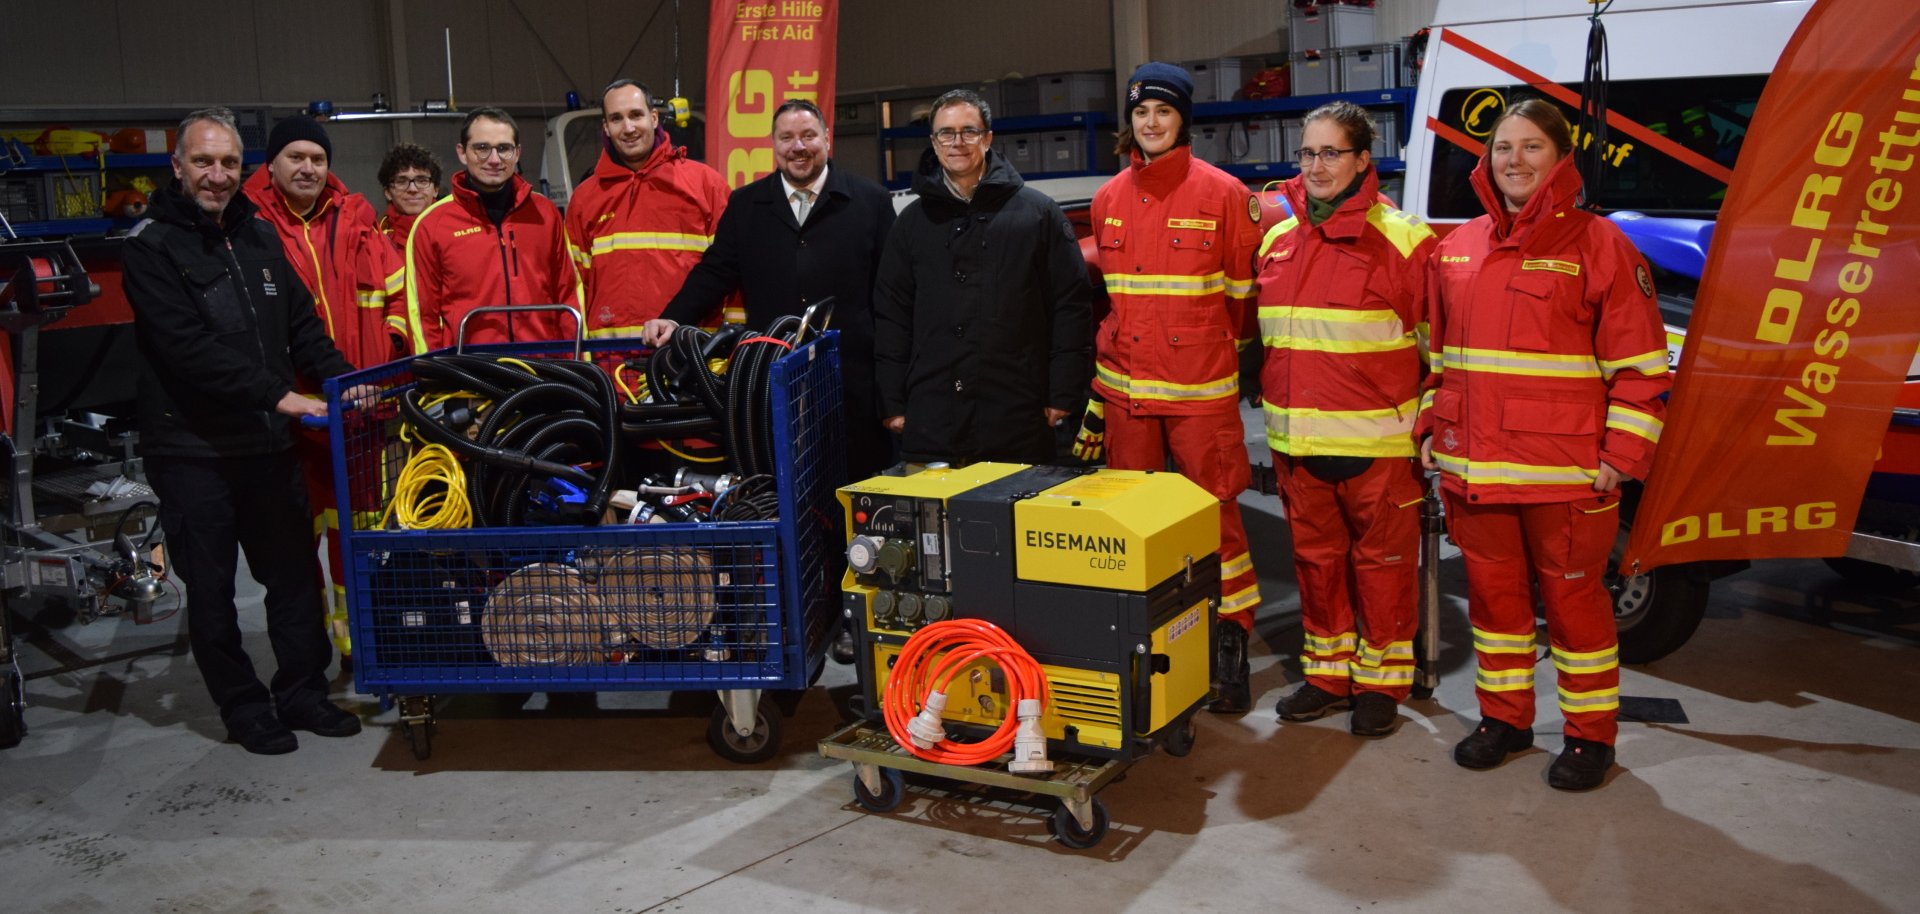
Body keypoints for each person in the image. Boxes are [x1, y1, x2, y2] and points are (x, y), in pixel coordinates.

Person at [1416, 99, 1671, 790]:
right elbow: (1438, 358)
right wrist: (1431, 427)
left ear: (1561, 160)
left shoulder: (1600, 244)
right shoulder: (1458, 247)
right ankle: (1505, 720)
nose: (1515, 160)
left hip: (1566, 473)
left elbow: (1642, 368)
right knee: (1495, 606)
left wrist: (1621, 458)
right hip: (1475, 468)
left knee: (1575, 608)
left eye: (1532, 147)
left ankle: (1590, 737)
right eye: (1503, 147)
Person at [122, 107, 363, 754]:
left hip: (266, 446)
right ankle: (245, 707)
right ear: (177, 166)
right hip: (192, 452)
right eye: (204, 161)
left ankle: (303, 692)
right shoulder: (149, 247)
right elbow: (185, 348)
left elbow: (302, 325)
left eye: (229, 162)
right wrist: (281, 396)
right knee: (213, 593)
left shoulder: (258, 235)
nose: (217, 175)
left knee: (293, 579)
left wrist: (344, 381)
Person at [1256, 101, 1436, 735]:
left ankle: (1381, 683)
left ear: (1363, 160)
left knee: (1383, 569)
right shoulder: (1277, 241)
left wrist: (1432, 424)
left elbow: (1443, 352)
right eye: (1307, 153)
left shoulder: (1407, 241)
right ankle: (1328, 675)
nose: (1316, 166)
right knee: (1317, 564)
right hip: (1297, 444)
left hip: (1378, 447)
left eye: (1331, 153)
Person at [1088, 62, 1263, 714]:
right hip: (1127, 394)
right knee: (1133, 524)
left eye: (1163, 111)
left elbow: (1244, 302)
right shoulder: (1108, 199)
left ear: (1183, 118)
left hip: (1198, 396)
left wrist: (1209, 355)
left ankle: (1230, 640)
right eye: (1141, 113)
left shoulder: (1225, 195)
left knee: (1216, 518)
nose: (1152, 122)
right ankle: (1145, 641)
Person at [643, 99, 898, 478]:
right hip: (773, 382)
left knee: (859, 486)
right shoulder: (746, 205)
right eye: (787, 137)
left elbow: (892, 295)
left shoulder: (870, 201)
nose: (798, 147)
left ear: (827, 139)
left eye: (808, 135)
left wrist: (892, 390)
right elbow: (715, 272)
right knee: (784, 489)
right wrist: (673, 318)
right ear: (774, 144)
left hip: (854, 384)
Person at [240, 115, 406, 666]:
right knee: (293, 546)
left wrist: (387, 361)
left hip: (358, 411)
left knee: (359, 538)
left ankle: (363, 648)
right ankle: (306, 658)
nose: (308, 168)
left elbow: (396, 294)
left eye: (317, 158)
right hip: (288, 418)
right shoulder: (247, 225)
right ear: (271, 164)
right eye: (296, 157)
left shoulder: (356, 218)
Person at [873, 89, 1092, 465]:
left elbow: (1071, 305)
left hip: (1018, 412)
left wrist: (1063, 392)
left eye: (969, 131)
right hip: (931, 415)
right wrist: (892, 400)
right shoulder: (911, 224)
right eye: (946, 133)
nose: (957, 142)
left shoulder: (1037, 215)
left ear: (988, 138)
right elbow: (892, 314)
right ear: (933, 142)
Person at [566, 79, 733, 338]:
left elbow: (730, 270)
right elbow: (576, 287)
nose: (628, 128)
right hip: (611, 356)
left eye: (636, 115)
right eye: (616, 118)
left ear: (654, 118)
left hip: (689, 350)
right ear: (606, 127)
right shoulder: (584, 199)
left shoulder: (706, 185)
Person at [406, 106, 581, 352]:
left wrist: (576, 365)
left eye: (504, 148)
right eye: (482, 148)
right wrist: (436, 370)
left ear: (517, 153)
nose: (494, 159)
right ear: (462, 153)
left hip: (542, 366)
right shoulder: (431, 225)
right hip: (470, 370)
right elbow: (422, 315)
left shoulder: (545, 214)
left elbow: (568, 294)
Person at [376, 141, 443, 257]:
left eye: (422, 180)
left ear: (436, 189)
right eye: (401, 181)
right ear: (388, 192)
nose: (413, 189)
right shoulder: (375, 241)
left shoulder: (457, 231)